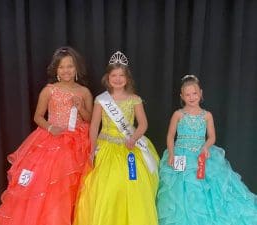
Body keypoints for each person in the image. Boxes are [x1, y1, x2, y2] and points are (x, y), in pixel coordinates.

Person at [0, 46, 93, 225]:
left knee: (77, 183)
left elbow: (90, 119)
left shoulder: (84, 92)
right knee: (52, 184)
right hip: (52, 140)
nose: (66, 70)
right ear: (56, 69)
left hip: (78, 142)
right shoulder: (49, 90)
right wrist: (50, 128)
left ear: (76, 68)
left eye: (70, 66)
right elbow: (38, 116)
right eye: (62, 67)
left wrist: (81, 108)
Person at [156, 75, 257, 225]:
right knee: (180, 189)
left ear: (201, 93)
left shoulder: (207, 115)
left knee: (208, 190)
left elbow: (212, 137)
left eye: (194, 93)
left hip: (201, 155)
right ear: (182, 96)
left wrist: (205, 147)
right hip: (181, 155)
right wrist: (171, 153)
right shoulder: (178, 114)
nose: (191, 97)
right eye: (188, 94)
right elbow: (170, 136)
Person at [73, 51, 160, 225]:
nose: (118, 79)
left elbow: (143, 124)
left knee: (133, 186)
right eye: (114, 75)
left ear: (127, 78)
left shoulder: (135, 99)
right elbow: (94, 126)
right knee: (107, 189)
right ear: (108, 77)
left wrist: (134, 139)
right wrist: (92, 150)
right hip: (106, 147)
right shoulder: (100, 100)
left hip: (130, 145)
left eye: (122, 75)